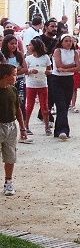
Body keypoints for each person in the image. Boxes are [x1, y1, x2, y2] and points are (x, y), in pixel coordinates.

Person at [1, 63, 28, 196]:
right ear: (5, 76)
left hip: (11, 126)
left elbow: (18, 109)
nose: (16, 77)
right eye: (14, 75)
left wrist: (22, 128)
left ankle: (8, 181)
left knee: (10, 156)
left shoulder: (13, 90)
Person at [49, 34, 80, 140]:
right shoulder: (58, 51)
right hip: (57, 80)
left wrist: (66, 69)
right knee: (61, 105)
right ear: (61, 42)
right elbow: (59, 65)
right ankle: (64, 130)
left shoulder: (75, 52)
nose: (68, 43)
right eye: (66, 41)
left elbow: (79, 67)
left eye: (70, 41)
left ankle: (58, 130)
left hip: (68, 79)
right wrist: (72, 65)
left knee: (65, 105)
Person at [1, 35, 28, 138]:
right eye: (11, 43)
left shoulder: (19, 55)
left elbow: (25, 69)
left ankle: (24, 127)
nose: (14, 46)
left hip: (19, 82)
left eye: (15, 43)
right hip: (5, 83)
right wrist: (17, 70)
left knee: (20, 105)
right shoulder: (3, 55)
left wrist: (14, 73)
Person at [24, 38, 51, 135]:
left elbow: (49, 69)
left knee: (44, 106)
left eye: (30, 45)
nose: (29, 47)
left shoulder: (45, 57)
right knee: (29, 106)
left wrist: (47, 72)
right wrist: (30, 71)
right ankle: (26, 126)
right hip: (31, 84)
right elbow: (25, 71)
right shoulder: (28, 58)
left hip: (42, 84)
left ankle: (47, 127)